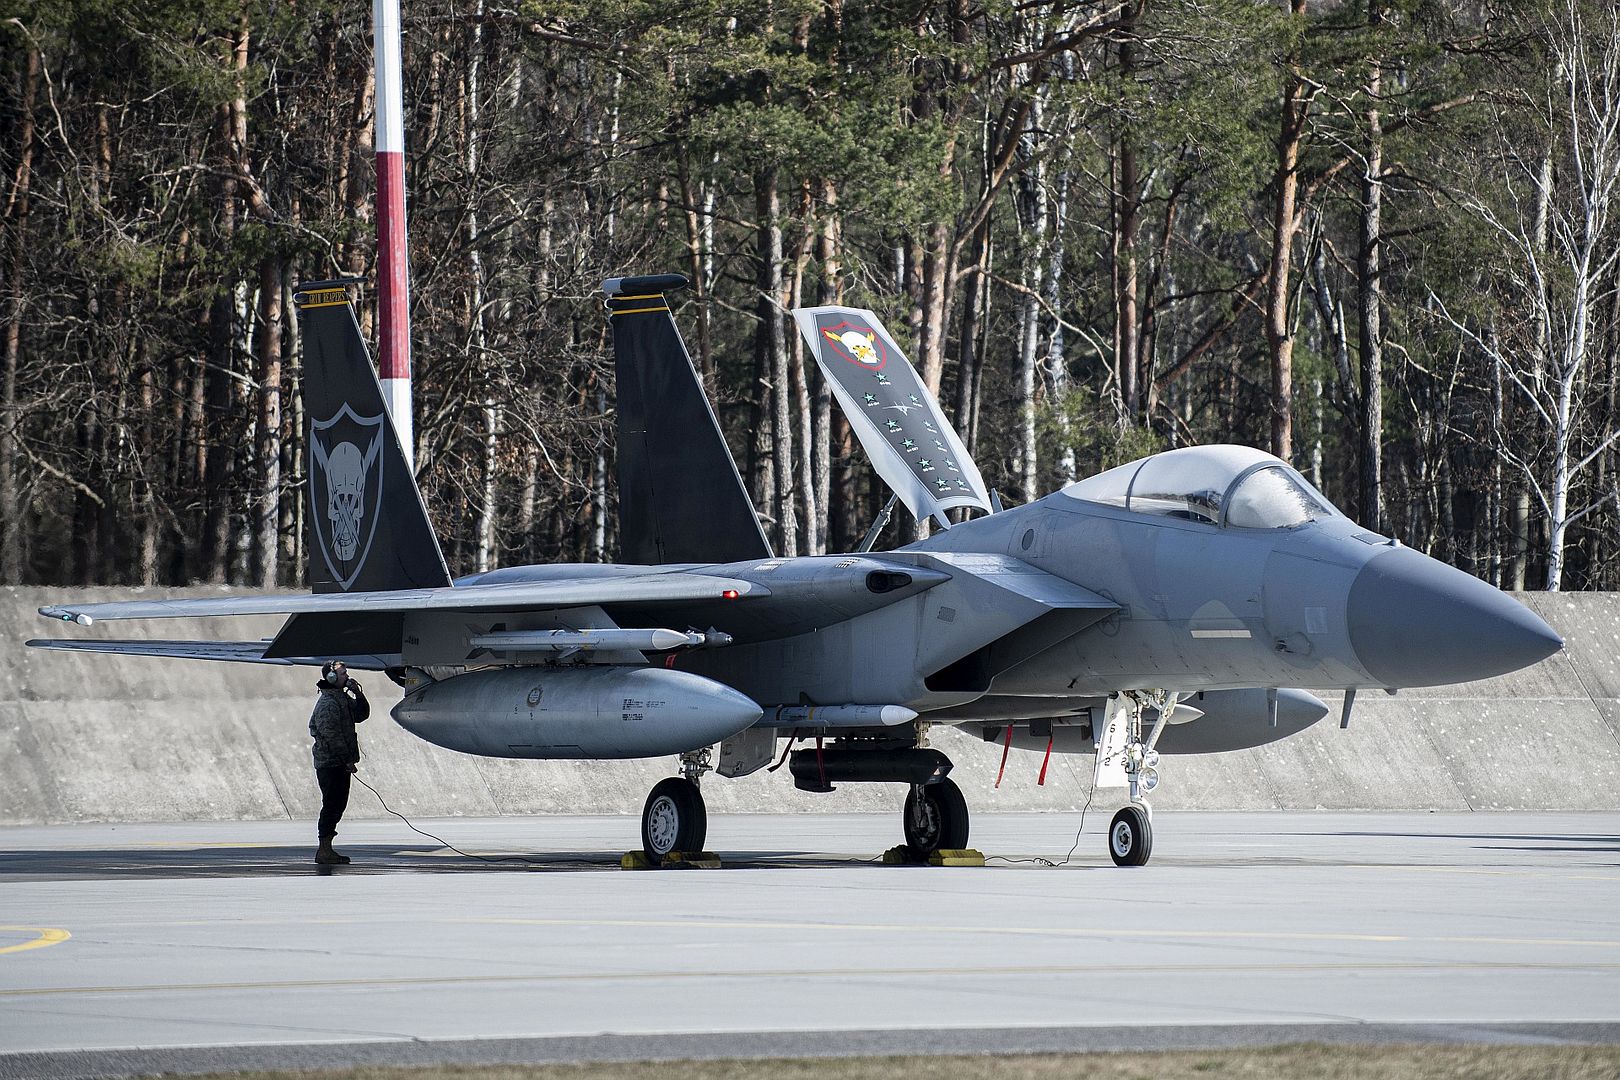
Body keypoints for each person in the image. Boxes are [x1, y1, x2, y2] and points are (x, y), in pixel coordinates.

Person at [309, 659, 369, 865]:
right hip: (330, 763)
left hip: (339, 763)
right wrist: (347, 760)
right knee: (332, 804)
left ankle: (327, 848)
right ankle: (324, 849)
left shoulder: (341, 699)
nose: (347, 676)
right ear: (332, 678)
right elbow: (331, 736)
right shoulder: (328, 704)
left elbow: (362, 714)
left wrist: (358, 693)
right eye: (343, 674)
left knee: (337, 804)